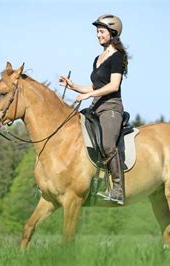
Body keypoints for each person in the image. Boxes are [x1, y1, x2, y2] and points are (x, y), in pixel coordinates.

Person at [59, 14, 128, 205]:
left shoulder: (117, 56)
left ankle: (117, 190)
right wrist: (72, 86)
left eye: (101, 31)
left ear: (112, 33)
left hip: (110, 108)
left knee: (107, 145)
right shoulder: (98, 58)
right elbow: (94, 86)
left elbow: (113, 85)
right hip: (95, 107)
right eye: (97, 31)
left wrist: (90, 95)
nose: (98, 35)